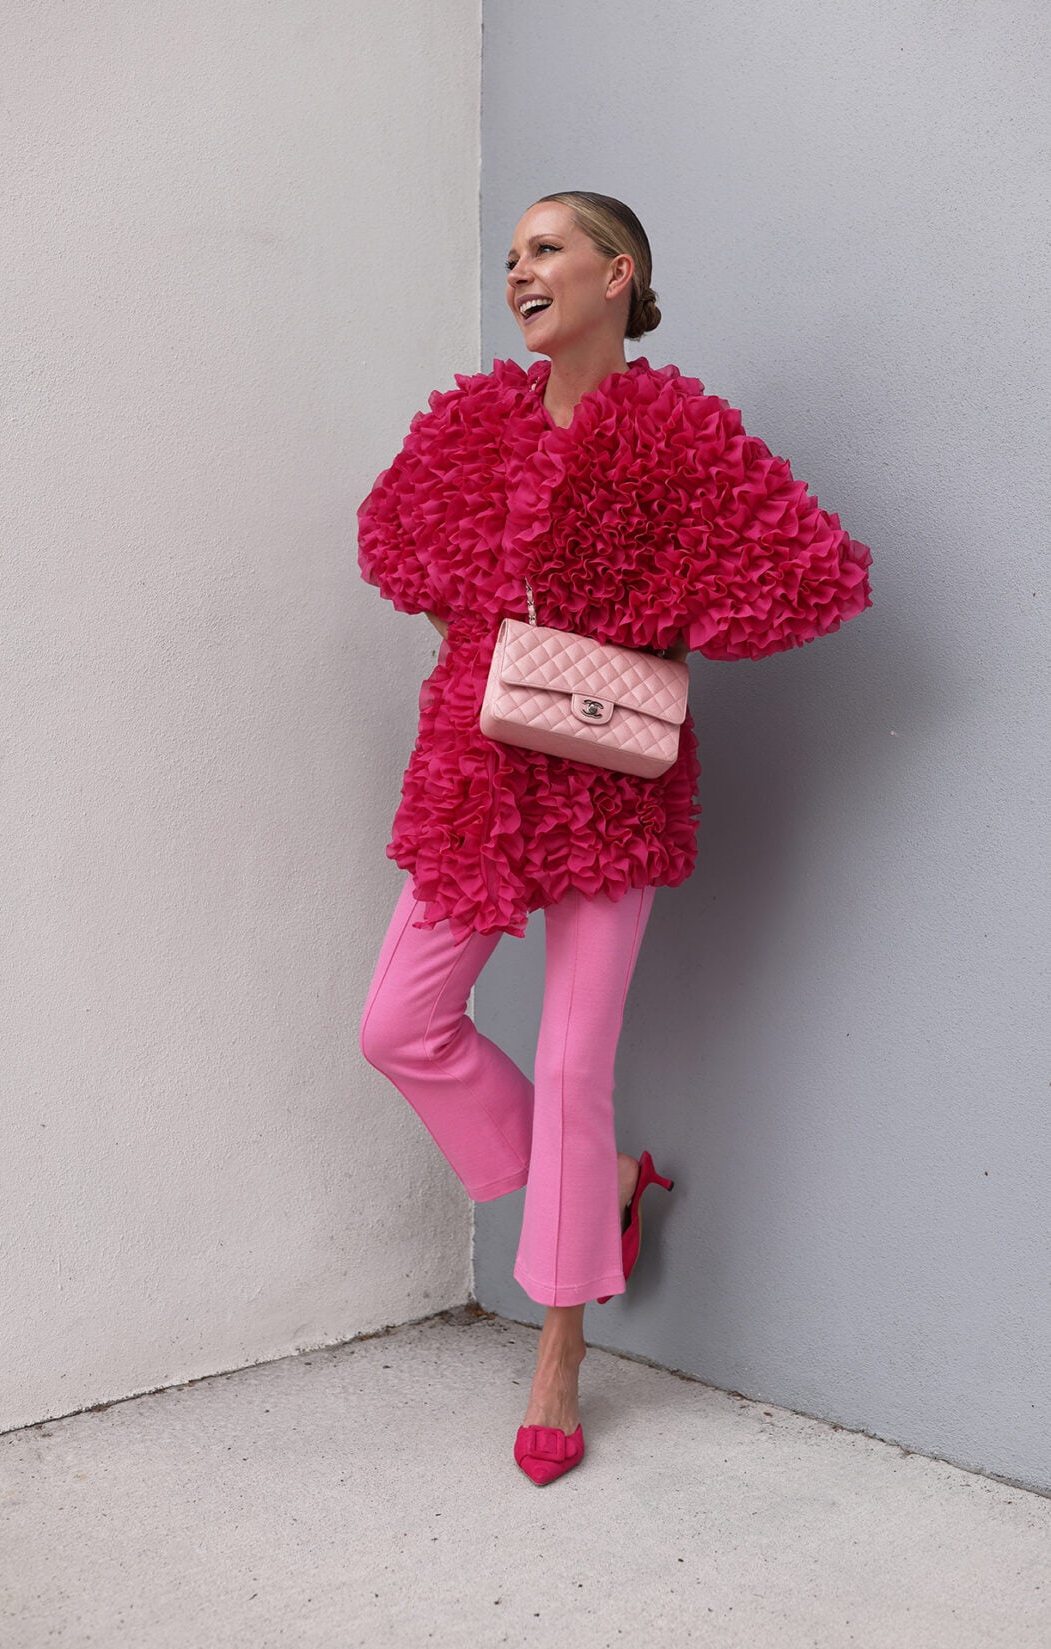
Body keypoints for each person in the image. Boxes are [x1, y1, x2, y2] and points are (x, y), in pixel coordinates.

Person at [356, 191, 872, 1485]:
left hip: (612, 782)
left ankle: (559, 1352)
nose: (520, 271)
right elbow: (395, 541)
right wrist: (484, 646)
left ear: (616, 272)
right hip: (478, 774)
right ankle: (607, 1186)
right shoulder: (471, 422)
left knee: (574, 1065)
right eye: (511, 255)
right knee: (400, 1026)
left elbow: (814, 571)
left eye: (547, 248)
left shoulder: (679, 430)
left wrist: (657, 634)